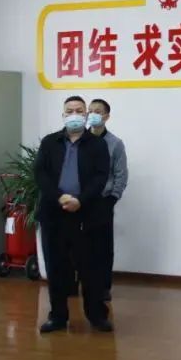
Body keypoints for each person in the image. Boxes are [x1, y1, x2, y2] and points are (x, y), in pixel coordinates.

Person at [35, 96, 112, 333]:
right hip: (54, 213)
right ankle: (58, 316)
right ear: (63, 115)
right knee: (56, 267)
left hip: (86, 215)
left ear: (86, 115)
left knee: (90, 269)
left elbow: (101, 176)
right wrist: (59, 197)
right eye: (70, 111)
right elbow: (40, 174)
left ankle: (96, 316)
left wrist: (81, 200)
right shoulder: (50, 142)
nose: (74, 115)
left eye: (79, 110)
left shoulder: (97, 145)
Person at [88, 98, 128, 302]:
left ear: (107, 116)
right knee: (81, 246)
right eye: (90, 111)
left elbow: (121, 175)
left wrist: (112, 199)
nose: (93, 114)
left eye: (98, 111)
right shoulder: (79, 140)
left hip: (103, 201)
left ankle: (104, 287)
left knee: (103, 247)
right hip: (80, 201)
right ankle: (82, 283)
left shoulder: (115, 144)